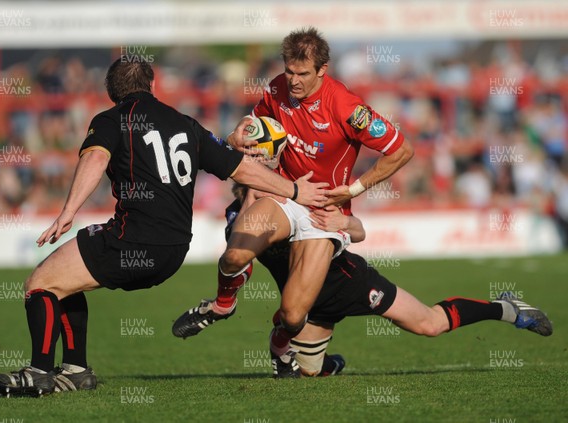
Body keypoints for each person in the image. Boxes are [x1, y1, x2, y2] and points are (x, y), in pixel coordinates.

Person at [0, 57, 330, 397]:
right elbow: (239, 168)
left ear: (110, 90)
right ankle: (75, 371)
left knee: (40, 283)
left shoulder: (112, 119)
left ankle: (38, 372)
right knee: (66, 283)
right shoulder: (184, 122)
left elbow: (96, 157)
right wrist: (296, 189)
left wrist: (68, 211)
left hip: (133, 239)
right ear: (151, 84)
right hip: (175, 249)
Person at [172, 27, 414, 376]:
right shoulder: (276, 87)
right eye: (289, 71)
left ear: (322, 69)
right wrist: (241, 129)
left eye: (302, 73)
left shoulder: (347, 107)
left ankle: (281, 344)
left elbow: (401, 150)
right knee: (236, 254)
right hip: (287, 194)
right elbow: (254, 120)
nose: (294, 80)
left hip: (323, 212)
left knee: (293, 315)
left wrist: (355, 189)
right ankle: (223, 305)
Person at [229, 184, 554, 377]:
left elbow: (359, 231)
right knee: (311, 374)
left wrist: (345, 220)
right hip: (307, 305)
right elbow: (237, 250)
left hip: (350, 283)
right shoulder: (239, 221)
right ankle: (326, 361)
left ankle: (506, 308)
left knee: (429, 325)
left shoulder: (293, 203)